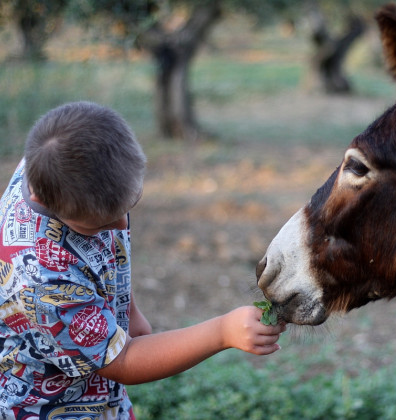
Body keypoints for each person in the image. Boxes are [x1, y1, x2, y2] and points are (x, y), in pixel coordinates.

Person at [0, 101, 285, 419]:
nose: (121, 225)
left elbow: (104, 254)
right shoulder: (44, 278)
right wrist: (222, 332)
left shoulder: (52, 167)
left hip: (100, 398)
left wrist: (127, 309)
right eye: (100, 226)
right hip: (52, 408)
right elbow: (122, 361)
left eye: (130, 205)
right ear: (43, 198)